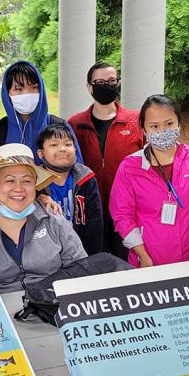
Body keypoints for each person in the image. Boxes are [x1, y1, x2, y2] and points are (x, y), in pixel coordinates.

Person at [110, 95, 189, 267]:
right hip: (148, 262)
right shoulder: (129, 167)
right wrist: (141, 254)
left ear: (179, 122)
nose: (162, 131)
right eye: (154, 126)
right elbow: (122, 216)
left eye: (169, 124)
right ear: (143, 129)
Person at [0, 144, 88, 292]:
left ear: (35, 186)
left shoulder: (53, 220)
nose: (19, 188)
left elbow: (81, 267)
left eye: (26, 181)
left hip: (53, 305)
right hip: (5, 308)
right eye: (10, 181)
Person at [68, 62, 144, 258]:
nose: (106, 86)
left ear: (118, 83)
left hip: (129, 212)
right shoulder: (75, 124)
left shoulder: (136, 121)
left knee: (126, 266)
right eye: (100, 82)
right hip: (91, 212)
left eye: (111, 81)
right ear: (89, 86)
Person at [0, 61, 81, 164]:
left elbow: (79, 173)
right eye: (19, 89)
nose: (27, 93)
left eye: (34, 87)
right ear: (7, 93)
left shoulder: (60, 127)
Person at [35, 123, 104, 255]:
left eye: (68, 144)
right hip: (48, 255)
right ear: (40, 153)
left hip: (82, 251)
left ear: (75, 150)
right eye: (54, 145)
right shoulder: (34, 183)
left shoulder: (86, 178)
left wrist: (91, 259)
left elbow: (95, 224)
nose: (62, 149)